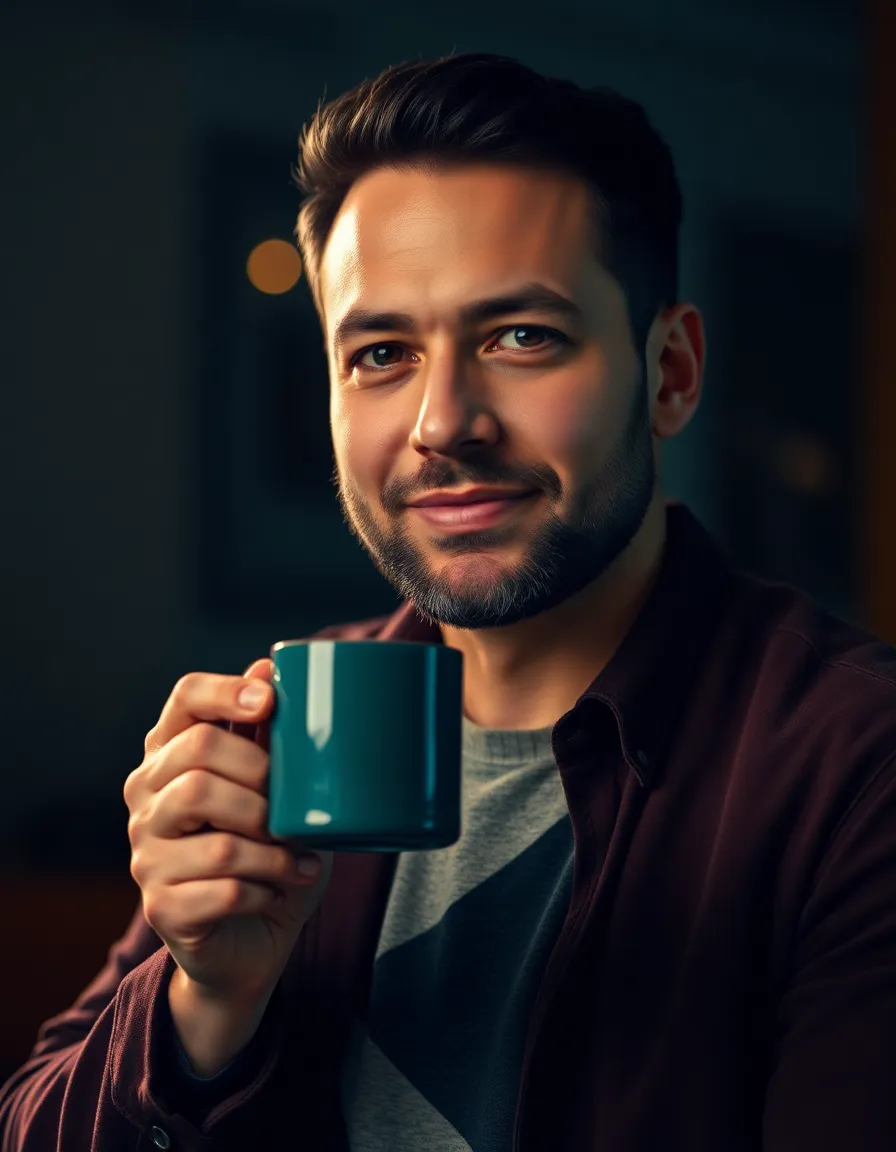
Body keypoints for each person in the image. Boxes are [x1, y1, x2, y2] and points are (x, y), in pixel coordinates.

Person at [1, 50, 893, 1152]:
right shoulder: (290, 722)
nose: (441, 423)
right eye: (379, 353)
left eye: (520, 337)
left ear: (667, 373)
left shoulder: (854, 761)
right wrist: (204, 1004)